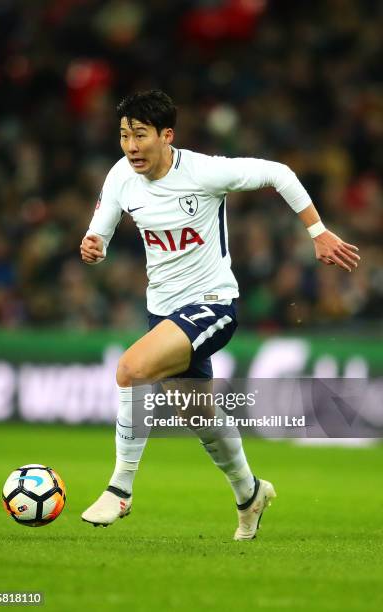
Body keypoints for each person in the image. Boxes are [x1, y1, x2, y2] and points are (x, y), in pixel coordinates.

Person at [80, 90, 360, 540]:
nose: (131, 146)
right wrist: (95, 246)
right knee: (199, 414)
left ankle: (120, 488)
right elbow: (100, 231)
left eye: (140, 135)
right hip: (163, 312)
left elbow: (279, 173)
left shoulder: (206, 172)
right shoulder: (120, 177)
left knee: (130, 370)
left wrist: (318, 231)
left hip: (212, 304)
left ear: (166, 135)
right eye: (124, 135)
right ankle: (250, 494)